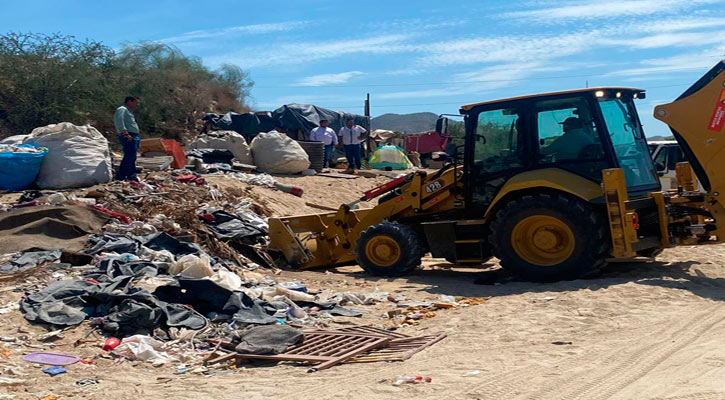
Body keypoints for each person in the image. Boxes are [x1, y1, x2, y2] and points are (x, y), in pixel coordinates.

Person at [114, 96, 141, 181]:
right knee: (129, 156)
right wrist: (125, 134)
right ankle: (121, 175)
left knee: (132, 156)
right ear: (129, 101)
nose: (137, 104)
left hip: (134, 135)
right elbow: (119, 121)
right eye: (136, 102)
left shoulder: (130, 111)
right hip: (128, 135)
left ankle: (131, 175)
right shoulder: (122, 109)